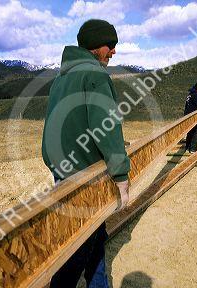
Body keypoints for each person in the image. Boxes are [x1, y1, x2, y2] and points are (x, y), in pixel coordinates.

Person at [41, 19, 130, 288]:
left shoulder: (63, 76)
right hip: (84, 176)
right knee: (77, 249)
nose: (114, 51)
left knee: (95, 235)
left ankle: (99, 284)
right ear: (95, 46)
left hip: (63, 170)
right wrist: (121, 175)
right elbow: (107, 127)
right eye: (110, 45)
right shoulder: (95, 75)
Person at [184, 80, 197, 153]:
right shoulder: (196, 95)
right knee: (195, 131)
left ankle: (187, 147)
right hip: (193, 117)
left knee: (189, 131)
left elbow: (186, 106)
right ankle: (193, 149)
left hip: (187, 116)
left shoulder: (190, 94)